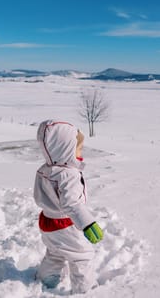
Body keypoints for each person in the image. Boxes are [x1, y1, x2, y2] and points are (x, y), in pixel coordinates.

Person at [33, 119, 104, 293]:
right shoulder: (68, 174)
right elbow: (71, 203)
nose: (80, 152)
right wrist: (87, 223)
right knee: (81, 256)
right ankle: (84, 289)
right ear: (62, 149)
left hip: (48, 221)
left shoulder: (45, 169)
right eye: (77, 148)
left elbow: (38, 195)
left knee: (55, 252)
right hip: (65, 224)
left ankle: (47, 278)